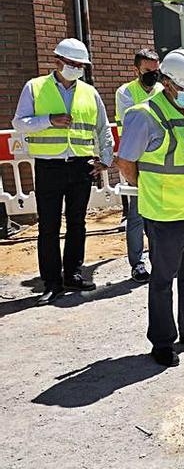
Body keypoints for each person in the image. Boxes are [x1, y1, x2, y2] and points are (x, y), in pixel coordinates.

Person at [115, 48, 184, 367]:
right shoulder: (144, 114)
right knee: (163, 278)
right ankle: (162, 341)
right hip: (165, 215)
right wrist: (149, 189)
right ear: (166, 82)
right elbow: (126, 162)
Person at [12, 38, 114, 305]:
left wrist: (105, 159)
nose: (77, 68)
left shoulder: (89, 92)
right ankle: (52, 283)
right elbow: (19, 123)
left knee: (78, 223)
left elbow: (102, 128)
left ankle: (73, 274)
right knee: (49, 227)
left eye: (80, 65)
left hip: (82, 166)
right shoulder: (35, 87)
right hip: (49, 166)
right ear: (57, 61)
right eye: (72, 63)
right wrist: (49, 121)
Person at [115, 48, 162, 284]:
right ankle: (137, 264)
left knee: (159, 214)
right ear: (137, 70)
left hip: (159, 159)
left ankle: (160, 260)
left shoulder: (164, 90)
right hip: (136, 160)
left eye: (156, 70)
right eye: (148, 71)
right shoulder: (126, 93)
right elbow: (134, 124)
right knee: (136, 215)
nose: (153, 75)